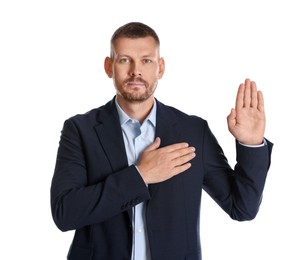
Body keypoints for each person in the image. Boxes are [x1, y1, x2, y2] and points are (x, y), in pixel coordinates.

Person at [50, 22, 273, 260]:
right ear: (109, 66)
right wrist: (141, 175)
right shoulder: (80, 130)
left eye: (146, 60)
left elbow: (242, 208)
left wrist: (251, 144)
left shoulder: (193, 131)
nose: (136, 71)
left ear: (161, 68)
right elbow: (65, 213)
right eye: (125, 60)